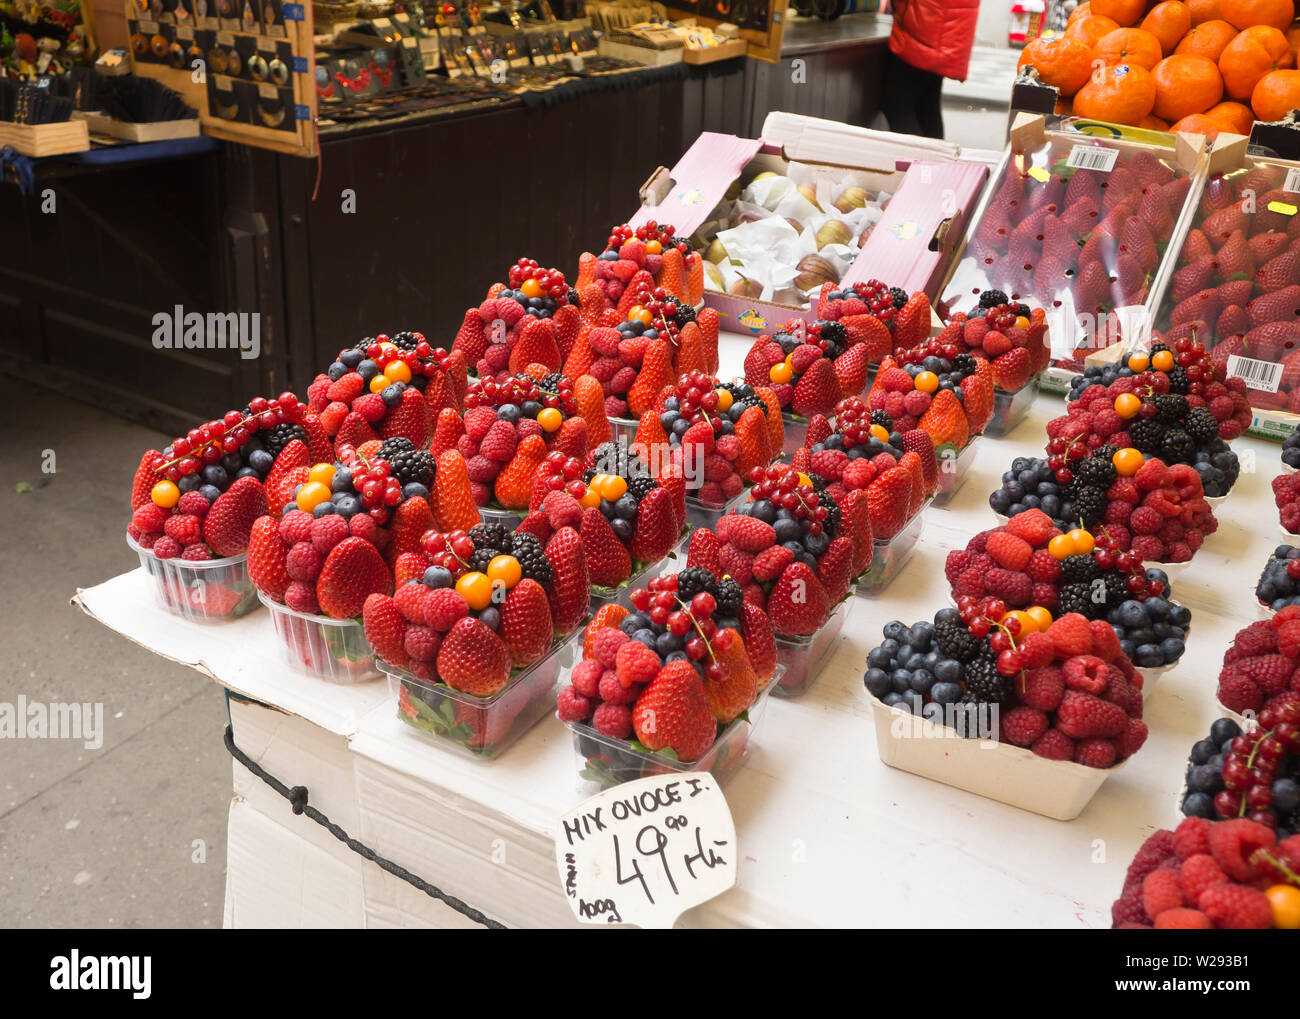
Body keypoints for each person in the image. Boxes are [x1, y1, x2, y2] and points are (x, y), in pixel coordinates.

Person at [880, 0, 981, 140]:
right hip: (939, 21)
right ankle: (934, 160)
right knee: (926, 107)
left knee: (898, 106)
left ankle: (918, 159)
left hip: (924, 21)